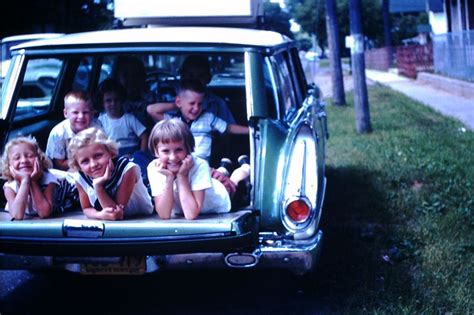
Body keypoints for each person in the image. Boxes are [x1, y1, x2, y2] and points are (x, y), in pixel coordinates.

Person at [147, 118, 233, 220]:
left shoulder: (200, 165)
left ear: (188, 149)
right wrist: (169, 178)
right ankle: (223, 168)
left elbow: (191, 215)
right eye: (165, 151)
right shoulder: (154, 168)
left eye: (179, 149)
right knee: (219, 172)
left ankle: (243, 168)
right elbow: (164, 215)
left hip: (223, 192)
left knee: (235, 181)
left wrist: (182, 176)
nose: (173, 157)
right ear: (156, 152)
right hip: (206, 179)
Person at [147, 79, 249, 162]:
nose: (196, 108)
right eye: (192, 103)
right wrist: (177, 105)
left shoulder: (209, 118)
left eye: (200, 104)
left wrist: (251, 130)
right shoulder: (174, 121)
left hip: (201, 167)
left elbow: (229, 128)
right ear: (178, 101)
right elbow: (151, 110)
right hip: (178, 164)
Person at [67, 127, 153, 220]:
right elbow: (86, 208)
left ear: (110, 153)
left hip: (141, 217)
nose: (93, 164)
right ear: (78, 166)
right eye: (85, 161)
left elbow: (115, 213)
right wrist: (99, 215)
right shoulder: (80, 177)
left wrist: (98, 187)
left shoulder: (127, 169)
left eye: (98, 155)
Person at [1, 136, 57, 220]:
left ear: (39, 159)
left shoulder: (49, 180)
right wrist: (25, 181)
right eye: (17, 158)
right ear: (9, 165)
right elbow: (17, 215)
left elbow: (44, 213)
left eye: (29, 156)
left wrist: (33, 182)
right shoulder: (10, 187)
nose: (24, 160)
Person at [46, 90, 102, 171]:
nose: (81, 116)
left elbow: (103, 151)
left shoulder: (97, 126)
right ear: (66, 113)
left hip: (94, 166)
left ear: (92, 113)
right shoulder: (58, 133)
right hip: (68, 172)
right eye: (75, 112)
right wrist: (84, 160)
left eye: (85, 112)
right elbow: (59, 164)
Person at [97, 78, 149, 157]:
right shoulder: (100, 121)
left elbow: (144, 136)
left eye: (116, 100)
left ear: (122, 101)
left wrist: (140, 154)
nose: (113, 104)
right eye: (108, 100)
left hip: (131, 155)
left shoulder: (129, 119)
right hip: (111, 156)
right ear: (102, 103)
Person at [114, 55, 158, 132]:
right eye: (126, 75)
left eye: (135, 75)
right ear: (118, 78)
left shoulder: (154, 100)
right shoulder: (112, 101)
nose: (131, 80)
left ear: (142, 77)